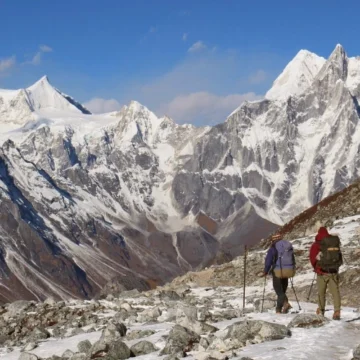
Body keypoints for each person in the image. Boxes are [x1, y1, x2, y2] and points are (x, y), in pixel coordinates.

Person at [309, 227, 342, 320]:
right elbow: (339, 256)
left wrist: (316, 267)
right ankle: (337, 311)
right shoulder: (333, 242)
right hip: (333, 271)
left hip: (321, 272)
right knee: (335, 292)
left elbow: (312, 258)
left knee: (321, 292)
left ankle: (321, 310)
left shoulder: (316, 244)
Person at [263, 233, 296, 314]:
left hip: (277, 271)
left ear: (273, 240)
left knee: (279, 291)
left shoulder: (273, 248)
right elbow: (292, 258)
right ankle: (283, 306)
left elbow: (268, 261)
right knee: (283, 291)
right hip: (288, 270)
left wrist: (266, 271)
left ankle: (279, 309)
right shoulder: (287, 247)